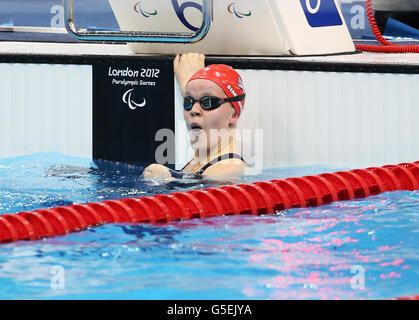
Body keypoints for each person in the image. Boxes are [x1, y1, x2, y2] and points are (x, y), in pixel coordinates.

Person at [143, 53, 247, 181]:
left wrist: (168, 182)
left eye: (208, 102)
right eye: (188, 101)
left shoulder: (226, 171)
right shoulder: (201, 161)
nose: (193, 110)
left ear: (234, 115)